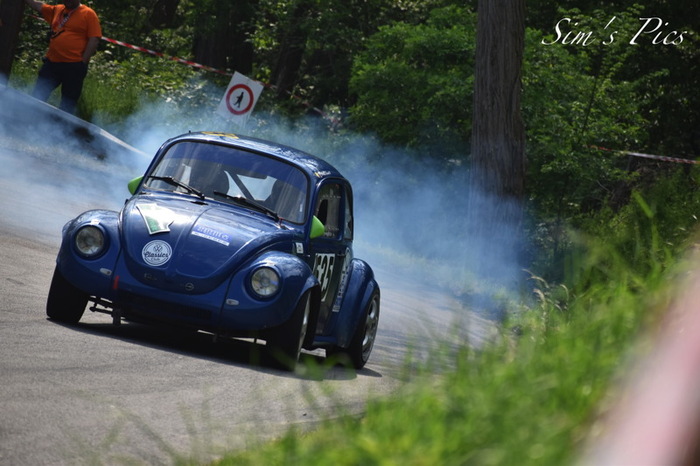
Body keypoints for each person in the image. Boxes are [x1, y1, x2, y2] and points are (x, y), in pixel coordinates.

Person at [23, 0, 101, 114]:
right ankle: (30, 120)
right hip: (52, 63)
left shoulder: (88, 14)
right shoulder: (58, 9)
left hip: (73, 66)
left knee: (67, 104)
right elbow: (39, 6)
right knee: (38, 95)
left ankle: (61, 125)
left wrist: (83, 62)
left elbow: (94, 39)